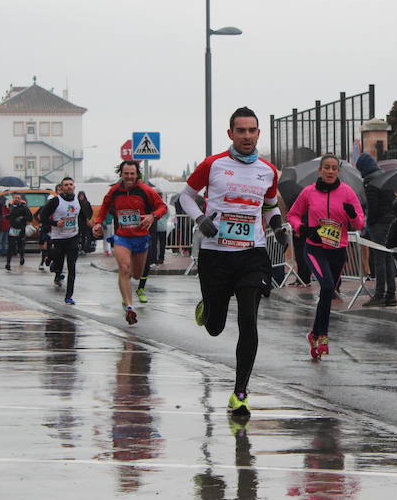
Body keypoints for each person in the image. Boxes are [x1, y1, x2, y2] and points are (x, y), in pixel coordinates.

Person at [178, 107, 285, 417]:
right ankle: (208, 308)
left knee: (248, 320)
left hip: (252, 253)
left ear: (258, 133)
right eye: (241, 131)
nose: (247, 136)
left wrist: (278, 226)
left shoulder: (268, 171)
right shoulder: (213, 165)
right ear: (231, 134)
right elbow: (185, 196)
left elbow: (270, 206)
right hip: (216, 254)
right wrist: (199, 218)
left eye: (252, 130)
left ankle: (240, 392)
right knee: (214, 327)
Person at [287, 154, 365, 359]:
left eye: (334, 168)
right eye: (327, 168)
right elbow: (292, 215)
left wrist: (352, 214)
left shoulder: (347, 193)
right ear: (320, 171)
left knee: (328, 292)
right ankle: (323, 335)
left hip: (338, 251)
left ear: (338, 171)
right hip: (315, 248)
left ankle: (314, 333)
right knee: (328, 286)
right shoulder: (308, 192)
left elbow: (359, 224)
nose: (330, 171)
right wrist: (302, 228)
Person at [92, 162, 167, 323]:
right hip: (122, 237)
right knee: (124, 268)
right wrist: (98, 222)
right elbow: (104, 208)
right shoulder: (114, 191)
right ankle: (129, 307)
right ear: (121, 174)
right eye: (126, 173)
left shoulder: (146, 191)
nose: (129, 177)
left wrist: (152, 216)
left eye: (132, 174)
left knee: (136, 274)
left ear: (137, 174)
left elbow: (162, 207)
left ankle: (127, 296)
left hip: (141, 237)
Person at [39, 177, 90, 305]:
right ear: (61, 188)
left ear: (74, 187)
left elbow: (83, 219)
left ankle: (69, 296)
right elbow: (42, 217)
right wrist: (55, 223)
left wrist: (91, 229)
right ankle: (53, 263)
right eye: (65, 185)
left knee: (71, 267)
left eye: (71, 184)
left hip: (73, 238)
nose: (68, 186)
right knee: (58, 265)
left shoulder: (78, 202)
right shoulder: (56, 201)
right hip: (58, 239)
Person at [355, 153, 397, 307]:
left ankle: (379, 294)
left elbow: (373, 207)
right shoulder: (384, 177)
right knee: (388, 259)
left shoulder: (370, 181)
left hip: (378, 224)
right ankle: (391, 294)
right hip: (390, 221)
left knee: (379, 259)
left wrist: (369, 224)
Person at [5, 193, 32, 271]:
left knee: (20, 246)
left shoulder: (24, 207)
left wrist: (22, 218)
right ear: (13, 199)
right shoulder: (11, 206)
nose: (17, 199)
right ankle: (8, 263)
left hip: (21, 229)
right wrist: (6, 217)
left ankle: (21, 257)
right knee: (10, 246)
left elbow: (30, 217)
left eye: (18, 198)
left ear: (20, 199)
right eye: (15, 198)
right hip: (12, 229)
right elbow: (11, 215)